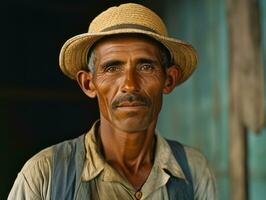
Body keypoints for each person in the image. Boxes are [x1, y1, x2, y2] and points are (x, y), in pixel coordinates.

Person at [8, 3, 217, 200]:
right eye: (112, 68)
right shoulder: (44, 175)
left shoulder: (193, 169)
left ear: (169, 79)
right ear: (89, 83)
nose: (130, 85)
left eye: (146, 67)